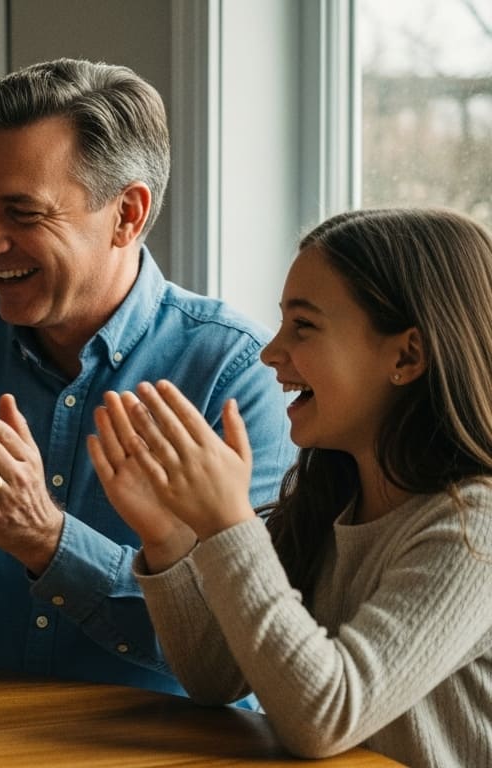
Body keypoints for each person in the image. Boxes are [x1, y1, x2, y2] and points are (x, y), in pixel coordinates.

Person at [0, 58, 294, 697]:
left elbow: (247, 647)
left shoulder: (235, 372)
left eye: (22, 214)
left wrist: (50, 542)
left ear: (127, 214)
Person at [89, 208, 492, 766]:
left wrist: (228, 523)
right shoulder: (333, 502)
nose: (270, 352)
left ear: (406, 355)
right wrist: (169, 537)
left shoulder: (475, 530)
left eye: (303, 326)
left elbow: (324, 718)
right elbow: (215, 676)